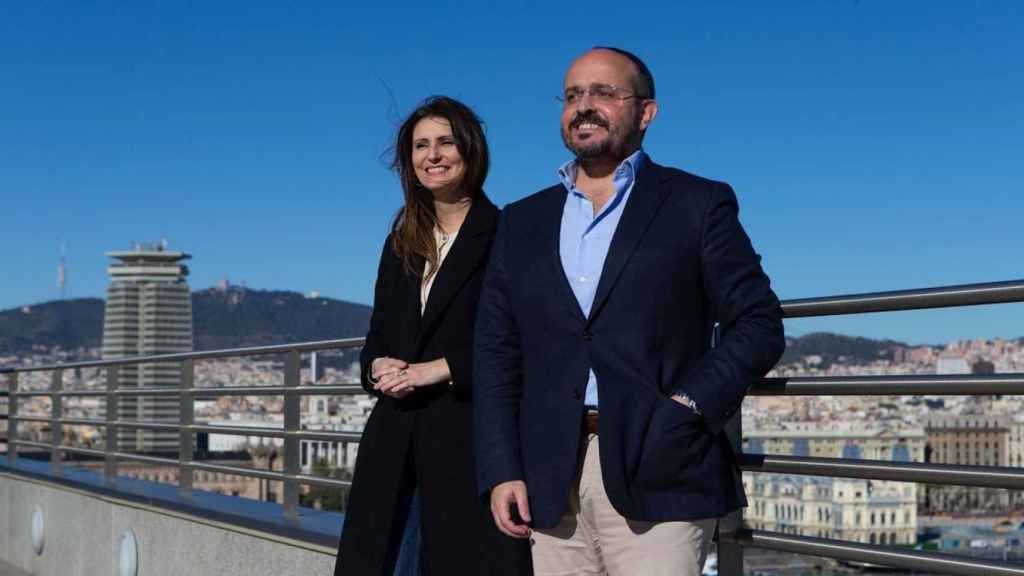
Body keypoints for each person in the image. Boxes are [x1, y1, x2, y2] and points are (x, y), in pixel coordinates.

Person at [474, 47, 785, 576]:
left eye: (604, 93)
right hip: (549, 477)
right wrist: (502, 468)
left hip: (661, 467)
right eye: (573, 95)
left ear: (646, 112)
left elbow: (758, 324)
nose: (584, 106)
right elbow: (496, 349)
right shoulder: (522, 221)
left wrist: (686, 406)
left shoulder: (696, 203)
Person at [335, 96, 532, 575]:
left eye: (445, 142)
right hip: (395, 436)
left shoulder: (508, 233)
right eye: (421, 146)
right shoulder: (402, 240)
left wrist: (440, 370)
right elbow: (378, 332)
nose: (433, 155)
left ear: (471, 150)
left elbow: (523, 335)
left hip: (467, 435)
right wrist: (377, 364)